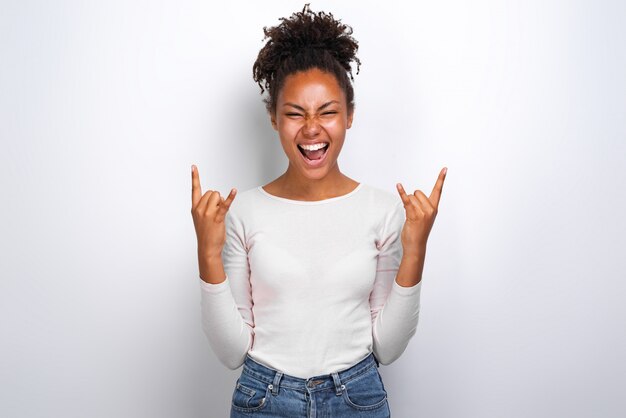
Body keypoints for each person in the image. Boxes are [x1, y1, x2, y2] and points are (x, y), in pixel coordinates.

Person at [191, 4, 447, 417]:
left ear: (350, 116)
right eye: (295, 113)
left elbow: (388, 347)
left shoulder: (383, 211)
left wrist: (415, 249)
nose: (312, 128)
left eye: (327, 111)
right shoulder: (242, 213)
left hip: (356, 397)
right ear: (274, 118)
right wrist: (207, 253)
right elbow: (231, 353)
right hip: (264, 398)